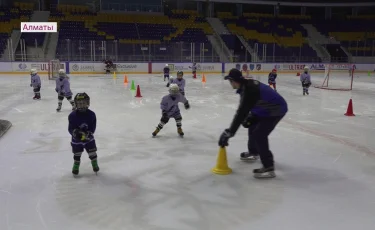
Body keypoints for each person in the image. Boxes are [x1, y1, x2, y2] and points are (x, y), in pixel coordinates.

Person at [218, 68, 288, 179]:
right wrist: (251, 116)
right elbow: (249, 106)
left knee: (259, 134)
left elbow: (241, 112)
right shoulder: (245, 87)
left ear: (235, 81)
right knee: (251, 124)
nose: (230, 84)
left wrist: (230, 132)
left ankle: (268, 167)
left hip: (275, 110)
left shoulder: (250, 90)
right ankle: (253, 152)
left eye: (230, 81)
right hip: (264, 109)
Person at [68, 93, 99, 175]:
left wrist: (89, 133)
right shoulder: (72, 116)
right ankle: (76, 165)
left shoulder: (92, 115)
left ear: (87, 103)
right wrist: (75, 133)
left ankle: (94, 163)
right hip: (76, 140)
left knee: (92, 152)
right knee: (77, 154)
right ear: (76, 104)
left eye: (83, 103)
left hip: (89, 139)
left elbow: (93, 127)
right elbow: (70, 128)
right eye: (79, 103)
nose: (81, 105)